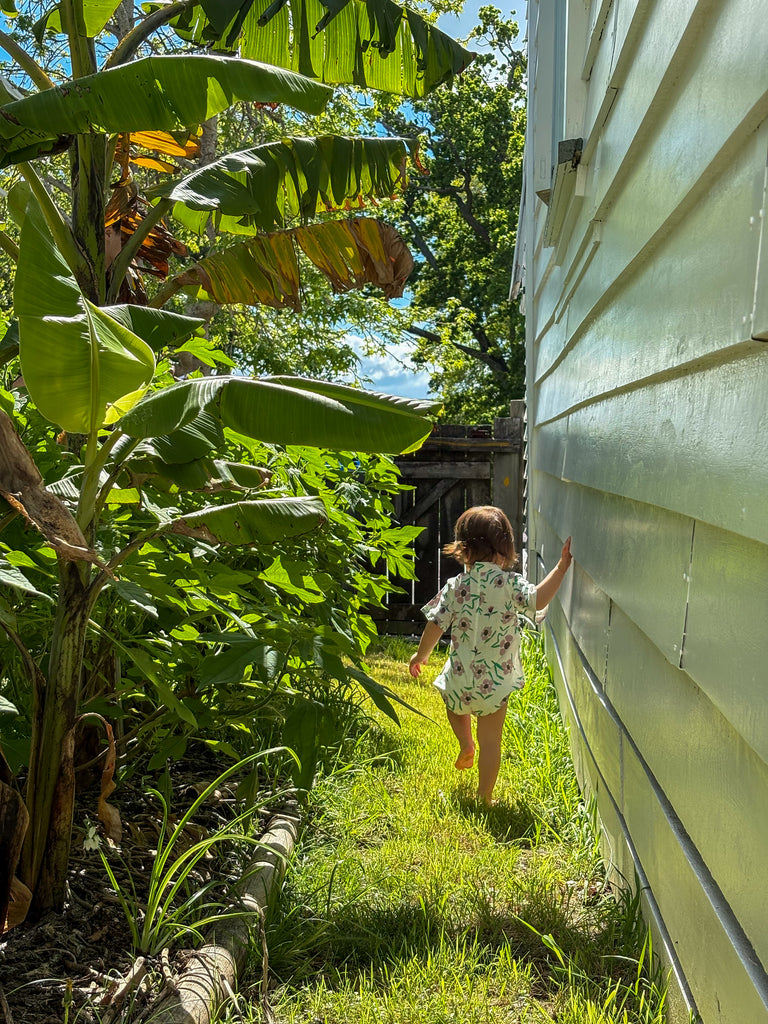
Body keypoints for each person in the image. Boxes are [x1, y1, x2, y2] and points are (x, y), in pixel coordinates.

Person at [408, 505, 572, 804]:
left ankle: (465, 743)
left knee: (454, 709)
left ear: (464, 550)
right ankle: (484, 796)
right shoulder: (509, 584)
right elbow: (538, 601)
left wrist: (421, 655)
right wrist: (560, 568)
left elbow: (436, 624)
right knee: (492, 743)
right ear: (505, 549)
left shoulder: (456, 586)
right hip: (494, 683)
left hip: (461, 677)